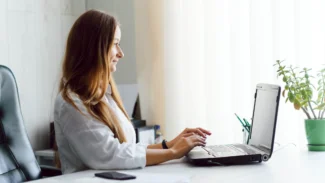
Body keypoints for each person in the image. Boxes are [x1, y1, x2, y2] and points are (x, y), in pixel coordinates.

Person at [54, 9, 211, 174]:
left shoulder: (104, 96)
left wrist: (169, 144)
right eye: (115, 44)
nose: (121, 53)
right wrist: (172, 153)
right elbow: (109, 155)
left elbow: (127, 149)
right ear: (94, 48)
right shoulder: (71, 103)